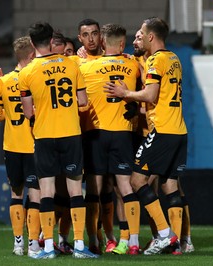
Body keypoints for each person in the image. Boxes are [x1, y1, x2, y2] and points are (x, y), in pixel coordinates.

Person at [104, 17, 185, 255]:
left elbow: (150, 95)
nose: (137, 37)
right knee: (170, 185)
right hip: (179, 130)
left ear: (151, 36)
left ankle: (164, 234)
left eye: (141, 33)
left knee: (136, 181)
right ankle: (176, 242)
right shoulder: (174, 58)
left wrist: (125, 92)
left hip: (162, 130)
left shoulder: (156, 61)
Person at [19, 21, 98, 259]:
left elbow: (28, 112)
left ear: (33, 43)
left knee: (47, 193)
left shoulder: (27, 73)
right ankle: (81, 246)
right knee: (75, 191)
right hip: (71, 134)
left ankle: (49, 248)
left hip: (44, 136)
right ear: (52, 41)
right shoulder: (71, 64)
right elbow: (83, 101)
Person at [79, 23, 141, 255]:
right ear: (123, 44)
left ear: (103, 42)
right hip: (123, 133)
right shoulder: (133, 64)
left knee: (93, 190)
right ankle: (131, 240)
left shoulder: (86, 67)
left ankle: (93, 240)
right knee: (125, 187)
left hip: (95, 133)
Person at [0, 36, 42, 257]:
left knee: (15, 193)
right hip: (34, 145)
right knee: (36, 194)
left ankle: (18, 242)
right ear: (31, 55)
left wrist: (2, 99)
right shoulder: (34, 78)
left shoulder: (3, 81)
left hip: (11, 145)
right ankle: (33, 243)